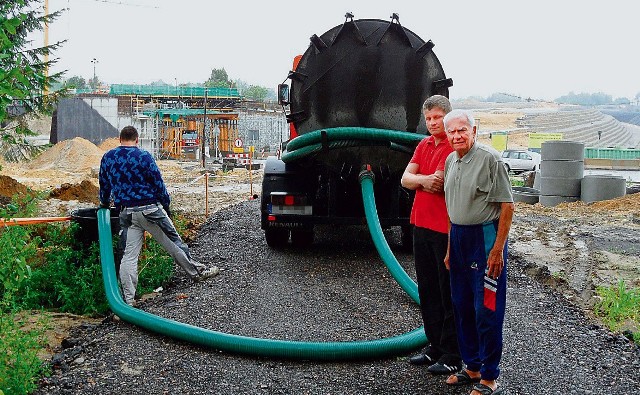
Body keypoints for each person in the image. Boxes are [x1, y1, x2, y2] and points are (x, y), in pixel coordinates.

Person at [99, 126, 219, 306]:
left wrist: (104, 204)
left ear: (120, 139)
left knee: (129, 256)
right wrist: (166, 205)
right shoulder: (144, 157)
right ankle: (197, 273)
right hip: (150, 210)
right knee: (173, 242)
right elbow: (158, 184)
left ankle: (127, 301)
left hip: (127, 213)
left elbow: (104, 185)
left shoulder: (108, 157)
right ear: (137, 140)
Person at [442, 109, 514, 395]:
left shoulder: (490, 160)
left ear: (474, 131)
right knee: (461, 305)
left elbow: (507, 207)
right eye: (452, 131)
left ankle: (489, 376)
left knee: (487, 308)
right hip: (458, 239)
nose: (457, 135)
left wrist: (497, 250)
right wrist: (450, 249)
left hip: (484, 239)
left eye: (462, 130)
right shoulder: (450, 161)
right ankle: (471, 366)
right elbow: (452, 209)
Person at [401, 95, 462, 375]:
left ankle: (452, 352)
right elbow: (405, 179)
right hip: (421, 226)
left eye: (437, 117)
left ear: (447, 117)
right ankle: (435, 346)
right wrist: (422, 180)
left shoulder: (453, 148)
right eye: (428, 119)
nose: (433, 123)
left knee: (447, 290)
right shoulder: (423, 144)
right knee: (427, 289)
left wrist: (420, 181)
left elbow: (438, 184)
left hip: (445, 229)